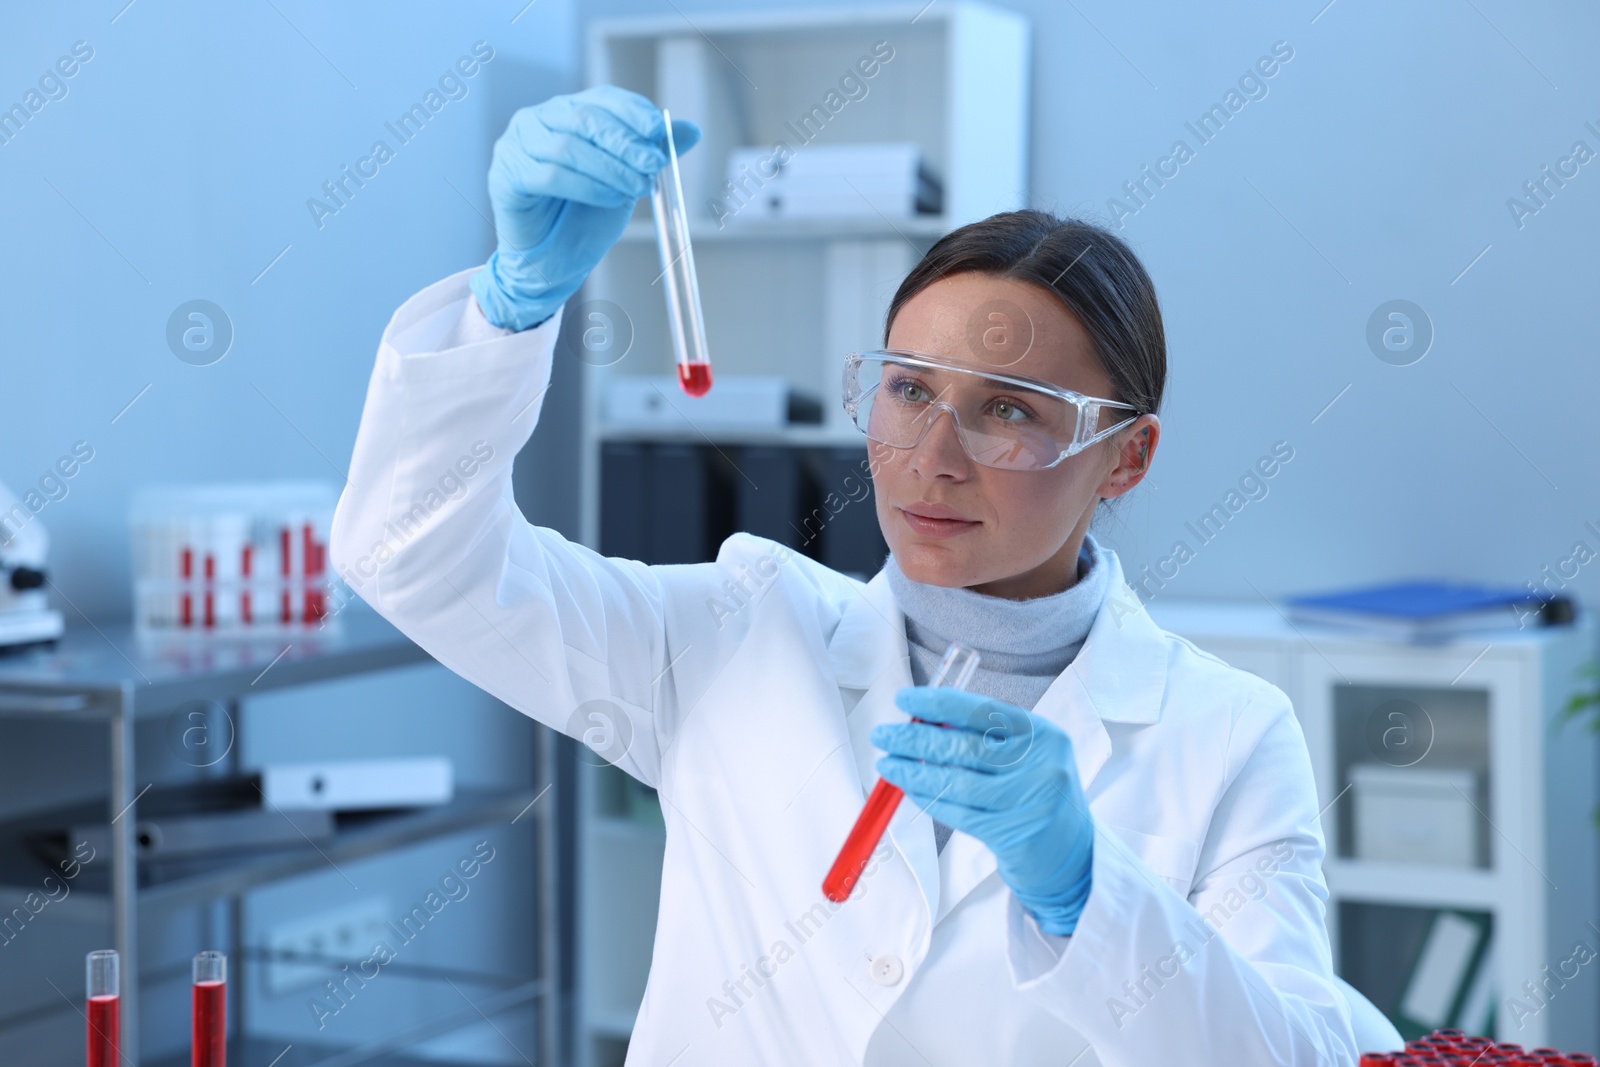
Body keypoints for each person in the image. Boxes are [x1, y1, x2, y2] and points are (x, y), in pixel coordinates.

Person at [329, 85, 1359, 1066]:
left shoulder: (1227, 733)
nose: (932, 455)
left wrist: (1089, 889)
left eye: (1007, 410)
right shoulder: (735, 631)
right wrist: (507, 309)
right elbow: (410, 554)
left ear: (1125, 456)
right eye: (909, 388)